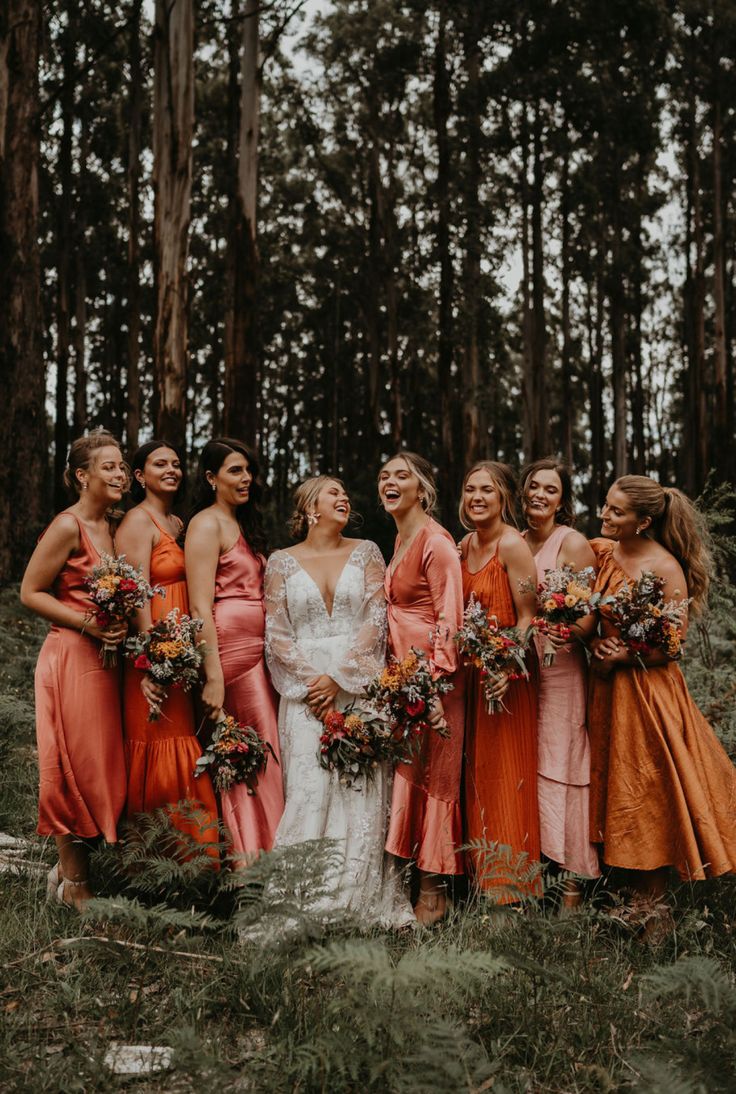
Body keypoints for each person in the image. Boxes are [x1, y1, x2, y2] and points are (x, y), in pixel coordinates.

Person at [589, 475, 736, 935]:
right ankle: (628, 898)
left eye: (616, 512)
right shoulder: (603, 551)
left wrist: (626, 653)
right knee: (614, 788)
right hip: (607, 691)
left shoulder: (663, 567)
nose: (605, 516)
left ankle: (656, 914)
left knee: (648, 791)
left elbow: (673, 644)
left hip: (647, 694)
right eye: (606, 506)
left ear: (644, 521)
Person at [264, 476, 412, 927]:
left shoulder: (367, 550)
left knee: (359, 786)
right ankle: (301, 897)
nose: (344, 496)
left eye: (346, 492)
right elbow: (277, 631)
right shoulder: (280, 563)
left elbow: (375, 618)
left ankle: (357, 896)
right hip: (304, 692)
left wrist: (340, 677)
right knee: (309, 789)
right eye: (332, 492)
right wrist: (314, 682)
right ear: (310, 506)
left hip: (358, 683)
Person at [20, 431, 128, 909]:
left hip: (107, 661)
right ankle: (75, 885)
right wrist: (89, 624)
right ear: (82, 475)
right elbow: (31, 591)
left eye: (123, 466)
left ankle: (67, 869)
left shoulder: (114, 525)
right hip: (71, 656)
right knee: (69, 765)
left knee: (99, 767)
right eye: (109, 466)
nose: (120, 473)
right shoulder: (68, 526)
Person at [115, 441, 218, 856]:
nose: (172, 469)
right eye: (160, 464)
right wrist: (147, 664)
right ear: (139, 476)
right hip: (154, 657)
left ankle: (192, 858)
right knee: (159, 742)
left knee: (183, 740)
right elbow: (136, 595)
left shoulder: (177, 522)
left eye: (176, 463)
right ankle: (161, 858)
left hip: (182, 655)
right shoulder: (137, 523)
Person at [185, 438, 283, 859]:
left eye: (248, 471)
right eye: (235, 471)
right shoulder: (206, 524)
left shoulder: (243, 523)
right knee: (251, 753)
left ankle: (267, 855)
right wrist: (213, 675)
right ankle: (254, 863)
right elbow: (199, 605)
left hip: (259, 655)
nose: (246, 479)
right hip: (231, 656)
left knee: (262, 750)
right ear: (210, 478)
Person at [378, 452, 465, 925]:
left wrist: (432, 682)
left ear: (422, 489)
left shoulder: (437, 541)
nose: (390, 482)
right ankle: (415, 882)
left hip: (435, 682)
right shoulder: (400, 536)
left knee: (436, 778)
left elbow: (450, 615)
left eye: (401, 475)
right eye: (384, 476)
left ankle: (434, 895)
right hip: (405, 678)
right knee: (412, 774)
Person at [458, 461, 540, 903]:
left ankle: (511, 890)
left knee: (508, 777)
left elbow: (528, 616)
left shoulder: (513, 546)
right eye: (470, 489)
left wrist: (506, 666)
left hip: (508, 680)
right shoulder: (462, 545)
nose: (477, 498)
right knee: (477, 774)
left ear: (503, 496)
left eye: (486, 490)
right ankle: (480, 882)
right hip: (474, 678)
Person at [520, 458, 601, 904]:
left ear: (562, 500)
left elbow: (592, 619)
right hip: (520, 672)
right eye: (534, 486)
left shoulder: (571, 543)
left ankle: (571, 891)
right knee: (529, 765)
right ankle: (531, 879)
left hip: (564, 671)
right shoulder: (511, 542)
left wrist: (565, 629)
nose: (540, 494)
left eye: (550, 489)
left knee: (565, 767)